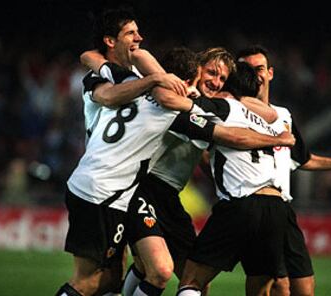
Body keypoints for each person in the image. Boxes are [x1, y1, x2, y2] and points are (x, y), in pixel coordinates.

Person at [54, 7, 223, 296]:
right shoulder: (105, 81)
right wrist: (160, 83)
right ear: (110, 40)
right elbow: (107, 93)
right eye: (131, 32)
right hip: (105, 181)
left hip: (117, 185)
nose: (139, 37)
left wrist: (157, 79)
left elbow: (102, 56)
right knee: (100, 279)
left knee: (116, 275)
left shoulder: (128, 75)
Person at [237, 45, 331, 296]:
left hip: (284, 209)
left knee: (304, 289)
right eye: (247, 69)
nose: (255, 75)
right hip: (254, 206)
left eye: (259, 69)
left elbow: (301, 159)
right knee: (273, 284)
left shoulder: (283, 115)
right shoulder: (232, 110)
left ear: (270, 73)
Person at [176, 61, 296, 296]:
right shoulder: (270, 122)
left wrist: (186, 88)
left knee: (191, 281)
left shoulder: (226, 106)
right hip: (276, 207)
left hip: (243, 203)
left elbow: (181, 105)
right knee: (260, 290)